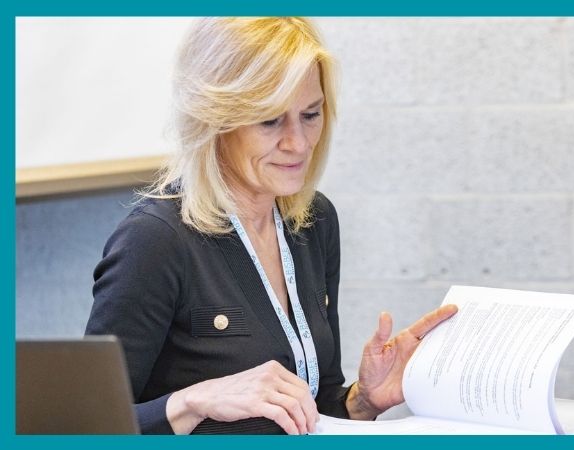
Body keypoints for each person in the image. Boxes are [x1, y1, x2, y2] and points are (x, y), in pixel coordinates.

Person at [84, 17, 457, 435]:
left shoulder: (313, 221)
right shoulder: (155, 240)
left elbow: (315, 406)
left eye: (310, 115)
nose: (298, 143)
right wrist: (191, 401)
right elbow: (82, 426)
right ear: (215, 120)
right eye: (269, 121)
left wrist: (362, 400)